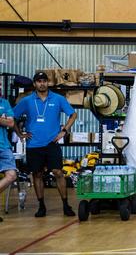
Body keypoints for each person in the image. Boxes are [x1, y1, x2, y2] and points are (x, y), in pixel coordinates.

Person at [13, 72, 77, 217]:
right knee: (37, 174)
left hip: (51, 143)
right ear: (35, 84)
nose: (42, 84)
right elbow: (12, 117)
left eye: (44, 81)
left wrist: (64, 131)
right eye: (39, 81)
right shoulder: (27, 101)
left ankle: (66, 205)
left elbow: (73, 114)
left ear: (48, 83)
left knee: (58, 172)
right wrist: (19, 134)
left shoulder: (58, 99)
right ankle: (41, 206)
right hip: (33, 145)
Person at [0, 95, 17, 223]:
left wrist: (5, 120)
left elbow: (11, 123)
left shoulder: (4, 103)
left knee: (11, 175)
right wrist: (2, 118)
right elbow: (6, 121)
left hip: (4, 146)